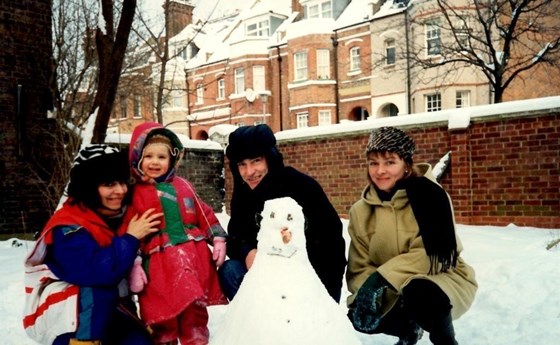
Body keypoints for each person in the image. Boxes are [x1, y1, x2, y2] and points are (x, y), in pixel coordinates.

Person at [345, 126, 478, 345]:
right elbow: (359, 265)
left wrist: (379, 280)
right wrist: (365, 294)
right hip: (390, 288)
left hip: (440, 278)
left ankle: (446, 340)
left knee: (420, 292)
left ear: (406, 164)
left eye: (390, 162)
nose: (380, 171)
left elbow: (428, 255)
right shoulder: (360, 211)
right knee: (358, 316)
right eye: (373, 163)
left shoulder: (432, 197)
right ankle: (408, 331)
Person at [23, 144, 163, 345]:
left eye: (123, 182)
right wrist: (131, 238)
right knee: (99, 288)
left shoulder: (118, 215)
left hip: (112, 311)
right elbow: (97, 272)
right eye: (109, 184)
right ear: (89, 187)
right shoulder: (68, 226)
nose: (120, 191)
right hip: (69, 320)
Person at [219, 124, 347, 303]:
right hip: (264, 280)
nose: (249, 172)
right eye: (242, 164)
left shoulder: (300, 187)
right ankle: (260, 325)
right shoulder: (243, 193)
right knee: (230, 270)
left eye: (256, 161)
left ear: (269, 158)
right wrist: (248, 252)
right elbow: (235, 236)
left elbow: (330, 242)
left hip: (306, 280)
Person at [128, 122, 228, 345]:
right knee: (162, 308)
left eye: (161, 157)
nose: (155, 162)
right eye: (149, 156)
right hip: (158, 264)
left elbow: (205, 214)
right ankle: (166, 339)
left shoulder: (184, 186)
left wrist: (218, 238)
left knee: (194, 307)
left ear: (172, 159)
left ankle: (196, 338)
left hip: (192, 258)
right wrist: (134, 263)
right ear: (138, 159)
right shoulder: (136, 195)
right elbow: (130, 229)